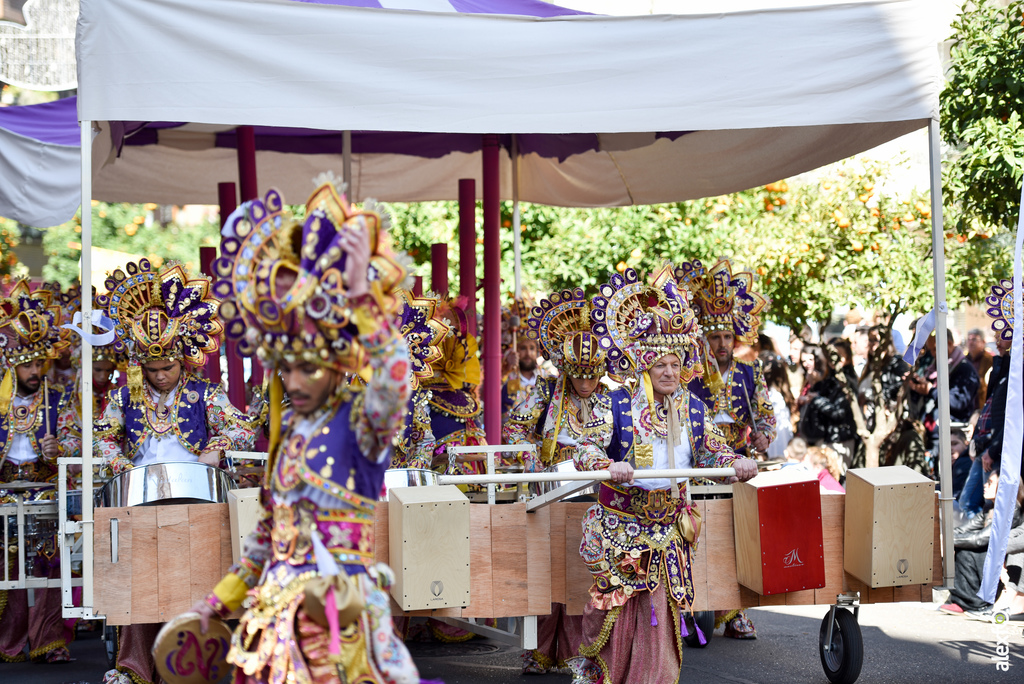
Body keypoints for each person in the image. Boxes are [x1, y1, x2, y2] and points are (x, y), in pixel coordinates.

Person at [189, 181, 431, 683]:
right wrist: (218, 600)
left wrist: (362, 295)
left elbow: (393, 371)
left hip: (337, 620)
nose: (294, 381)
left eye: (309, 369)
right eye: (286, 367)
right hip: (275, 623)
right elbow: (265, 537)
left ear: (337, 367)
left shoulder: (364, 425)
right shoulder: (288, 438)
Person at [565, 266, 756, 684]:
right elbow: (584, 450)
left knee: (658, 616)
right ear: (643, 366)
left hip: (669, 526)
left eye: (675, 363)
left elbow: (712, 451)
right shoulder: (615, 405)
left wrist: (734, 463)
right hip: (619, 526)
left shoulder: (693, 409)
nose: (670, 371)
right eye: (660, 364)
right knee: (611, 611)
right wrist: (607, 465)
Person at [95, 259, 259, 684]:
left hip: (196, 498)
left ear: (181, 360)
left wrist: (217, 449)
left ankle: (194, 666)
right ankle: (134, 668)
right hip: (140, 499)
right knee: (140, 585)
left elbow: (241, 429)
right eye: (152, 371)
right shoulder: (125, 396)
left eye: (167, 368)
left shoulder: (205, 392)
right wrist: (121, 465)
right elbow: (101, 438)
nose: (160, 376)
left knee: (194, 582)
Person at [503, 289, 611, 674]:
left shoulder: (613, 400)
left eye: (593, 375)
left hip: (597, 492)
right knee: (550, 572)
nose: (586, 383)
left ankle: (591, 651)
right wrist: (533, 458)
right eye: (578, 376)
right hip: (551, 491)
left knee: (589, 572)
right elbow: (515, 426)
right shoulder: (547, 393)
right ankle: (544, 649)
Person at [676, 258, 774, 640]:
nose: (721, 345)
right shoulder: (689, 373)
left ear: (736, 339)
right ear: (703, 339)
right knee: (695, 535)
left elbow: (764, 412)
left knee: (739, 536)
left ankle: (735, 612)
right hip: (699, 468)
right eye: (714, 337)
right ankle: (688, 606)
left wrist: (764, 433)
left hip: (737, 467)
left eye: (727, 338)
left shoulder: (750, 372)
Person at [0, 281, 78, 663]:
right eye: (26, 364)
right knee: (4, 565)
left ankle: (48, 641)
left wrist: (56, 449)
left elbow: (77, 443)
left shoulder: (57, 400)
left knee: (49, 562)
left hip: (42, 488)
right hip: (3, 490)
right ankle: (6, 642)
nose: (34, 371)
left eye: (38, 363)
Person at [797, 344, 858, 473]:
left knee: (835, 478)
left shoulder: (839, 382)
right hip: (822, 440)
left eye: (812, 360)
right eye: (804, 361)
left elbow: (838, 413)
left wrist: (816, 399)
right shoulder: (816, 383)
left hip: (839, 440)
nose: (808, 365)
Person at [965, 327, 993, 410]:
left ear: (983, 342)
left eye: (974, 339)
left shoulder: (990, 360)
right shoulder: (964, 360)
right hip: (967, 407)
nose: (970, 342)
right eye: (968, 339)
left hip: (982, 405)